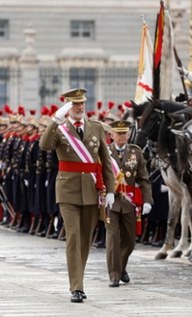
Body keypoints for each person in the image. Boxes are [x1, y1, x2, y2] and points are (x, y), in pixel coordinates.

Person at [39, 88, 115, 303]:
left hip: (92, 190)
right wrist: (55, 120)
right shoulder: (60, 130)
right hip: (68, 191)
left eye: (82, 103)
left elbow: (106, 162)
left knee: (84, 239)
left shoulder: (96, 128)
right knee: (72, 236)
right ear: (67, 107)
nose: (80, 107)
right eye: (75, 104)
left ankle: (78, 279)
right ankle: (77, 287)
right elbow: (44, 145)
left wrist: (110, 190)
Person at [106, 120, 153, 287]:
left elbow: (144, 178)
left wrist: (147, 200)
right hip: (110, 202)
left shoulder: (136, 152)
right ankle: (114, 275)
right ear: (111, 135)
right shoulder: (105, 152)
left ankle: (121, 267)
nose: (122, 136)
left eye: (124, 133)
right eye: (118, 133)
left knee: (130, 241)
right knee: (112, 238)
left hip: (129, 202)